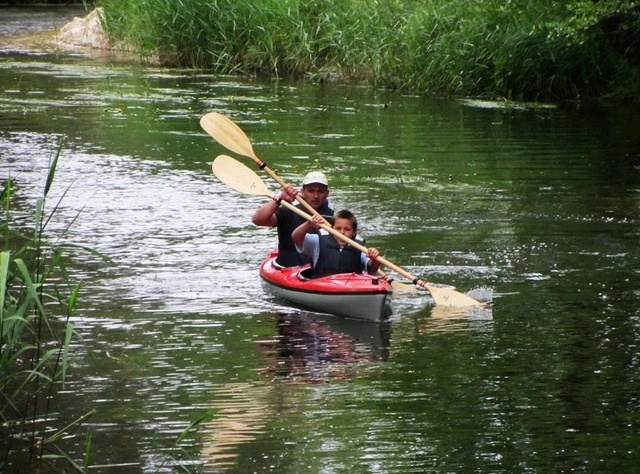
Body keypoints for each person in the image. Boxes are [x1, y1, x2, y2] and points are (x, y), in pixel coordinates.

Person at [252, 171, 333, 267]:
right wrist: (280, 198)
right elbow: (258, 220)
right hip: (287, 267)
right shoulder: (289, 209)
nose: (316, 196)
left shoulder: (331, 213)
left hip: (317, 271)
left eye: (320, 191)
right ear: (302, 192)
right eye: (311, 191)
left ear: (327, 193)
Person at [292, 209, 381, 278]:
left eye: (347, 229)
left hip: (351, 286)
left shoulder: (359, 247)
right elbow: (296, 238)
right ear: (332, 229)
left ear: (354, 232)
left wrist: (375, 259)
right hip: (322, 284)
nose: (342, 233)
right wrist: (308, 224)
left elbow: (371, 268)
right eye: (338, 228)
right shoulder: (318, 241)